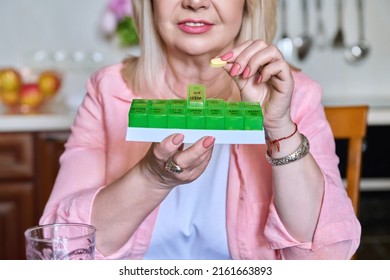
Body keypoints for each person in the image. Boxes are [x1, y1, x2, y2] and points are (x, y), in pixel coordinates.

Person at [40, 0, 361, 260]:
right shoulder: (109, 90)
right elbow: (61, 250)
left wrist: (279, 129)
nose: (194, 3)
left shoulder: (294, 93)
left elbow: (326, 259)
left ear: (249, 5)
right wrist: (152, 178)